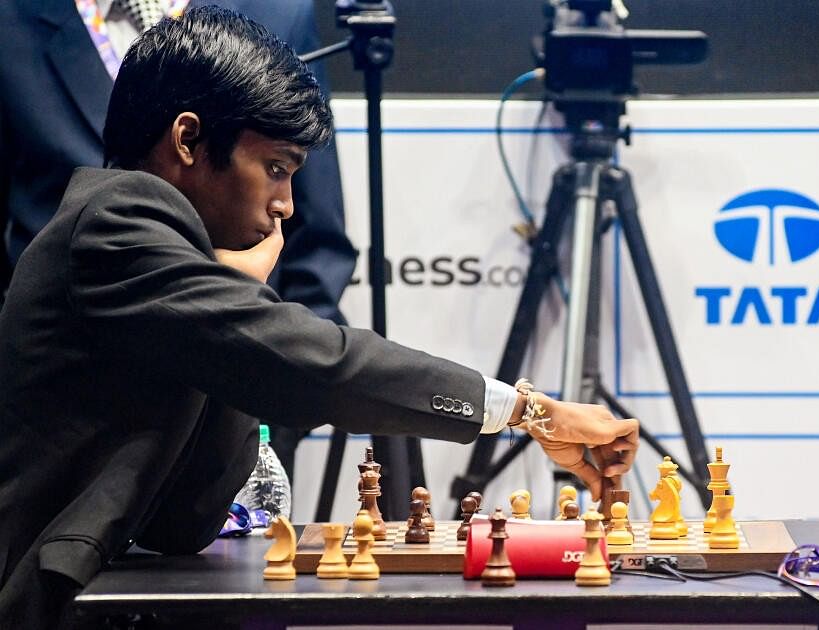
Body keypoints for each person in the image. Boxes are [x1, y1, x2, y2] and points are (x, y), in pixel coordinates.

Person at [0, 7, 638, 629]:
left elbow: (186, 522)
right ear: (188, 140)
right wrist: (531, 411)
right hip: (48, 604)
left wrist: (231, 303)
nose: (285, 205)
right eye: (275, 169)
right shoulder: (116, 223)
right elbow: (322, 365)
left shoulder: (171, 272)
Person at [0, 0, 358, 474]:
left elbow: (314, 232)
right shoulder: (11, 22)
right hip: (59, 419)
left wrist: (273, 403)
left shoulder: (277, 15)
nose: (282, 200)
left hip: (237, 408)